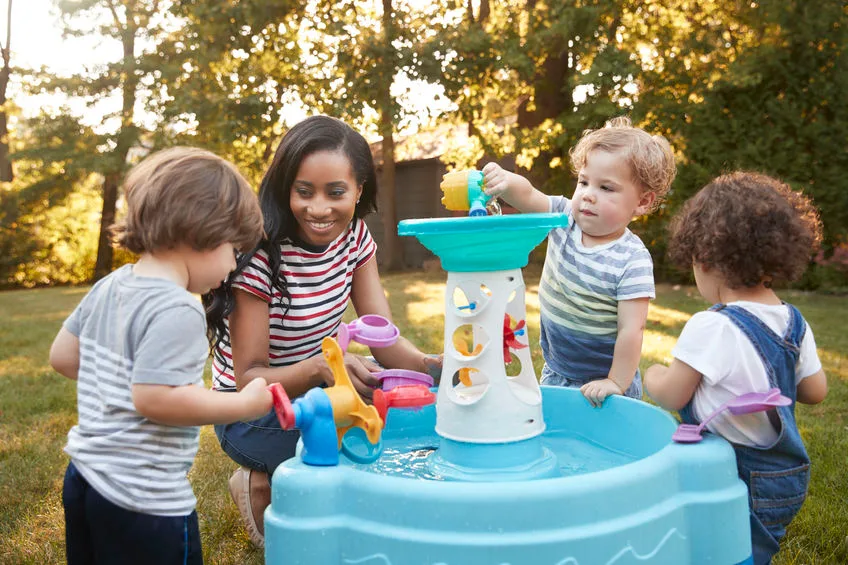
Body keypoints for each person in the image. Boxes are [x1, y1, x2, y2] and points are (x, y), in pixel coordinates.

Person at [204, 115, 441, 547]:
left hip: (322, 393)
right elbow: (249, 379)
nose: (318, 208)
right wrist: (322, 368)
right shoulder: (260, 256)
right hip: (251, 412)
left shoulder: (354, 239)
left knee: (406, 418)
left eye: (335, 192)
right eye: (303, 191)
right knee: (358, 433)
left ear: (358, 190)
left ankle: (290, 474)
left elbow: (382, 340)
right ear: (285, 188)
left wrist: (434, 367)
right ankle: (258, 479)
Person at [48, 147, 275, 565]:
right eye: (233, 250)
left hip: (85, 478)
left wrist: (120, 378)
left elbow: (63, 356)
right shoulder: (178, 307)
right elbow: (157, 398)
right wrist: (243, 404)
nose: (232, 267)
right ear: (202, 234)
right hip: (143, 498)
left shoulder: (113, 284)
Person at [643, 172, 827, 565]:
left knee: (723, 550)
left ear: (706, 259)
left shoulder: (712, 325)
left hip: (734, 475)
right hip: (785, 481)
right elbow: (815, 392)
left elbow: (674, 393)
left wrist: (654, 374)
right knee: (749, 549)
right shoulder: (793, 321)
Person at [482, 116, 676, 407]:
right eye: (583, 182)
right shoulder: (565, 218)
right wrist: (506, 182)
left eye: (606, 188)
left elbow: (631, 330)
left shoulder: (631, 259)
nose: (588, 195)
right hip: (558, 370)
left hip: (607, 382)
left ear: (642, 202)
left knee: (605, 447)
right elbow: (529, 196)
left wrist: (616, 382)